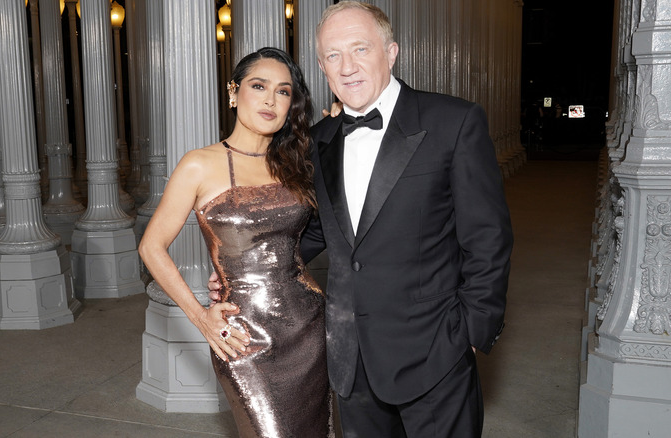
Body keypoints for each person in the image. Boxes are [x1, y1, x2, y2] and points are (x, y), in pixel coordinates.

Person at [212, 2, 513, 436]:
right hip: (349, 359)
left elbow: (488, 238)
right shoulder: (318, 140)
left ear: (390, 52)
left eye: (360, 49)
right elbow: (315, 230)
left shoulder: (454, 121)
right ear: (322, 66)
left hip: (435, 352)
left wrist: (469, 332)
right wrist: (243, 267)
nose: (347, 66)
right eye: (333, 55)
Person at [139, 47, 333, 438]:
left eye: (283, 91)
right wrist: (201, 318)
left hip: (310, 325)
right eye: (258, 86)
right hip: (242, 335)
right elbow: (151, 247)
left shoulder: (296, 161)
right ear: (233, 92)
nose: (269, 99)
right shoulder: (199, 163)